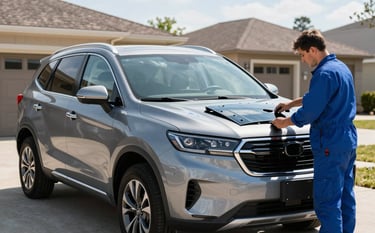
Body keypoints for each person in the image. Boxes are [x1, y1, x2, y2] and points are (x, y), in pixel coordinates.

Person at [272, 29, 357, 233]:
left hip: (329, 141)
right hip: (347, 140)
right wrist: (292, 103)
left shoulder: (324, 73)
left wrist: (284, 123)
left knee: (327, 203)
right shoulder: (341, 68)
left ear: (312, 49)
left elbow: (310, 112)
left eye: (302, 55)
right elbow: (321, 97)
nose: (302, 60)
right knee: (345, 197)